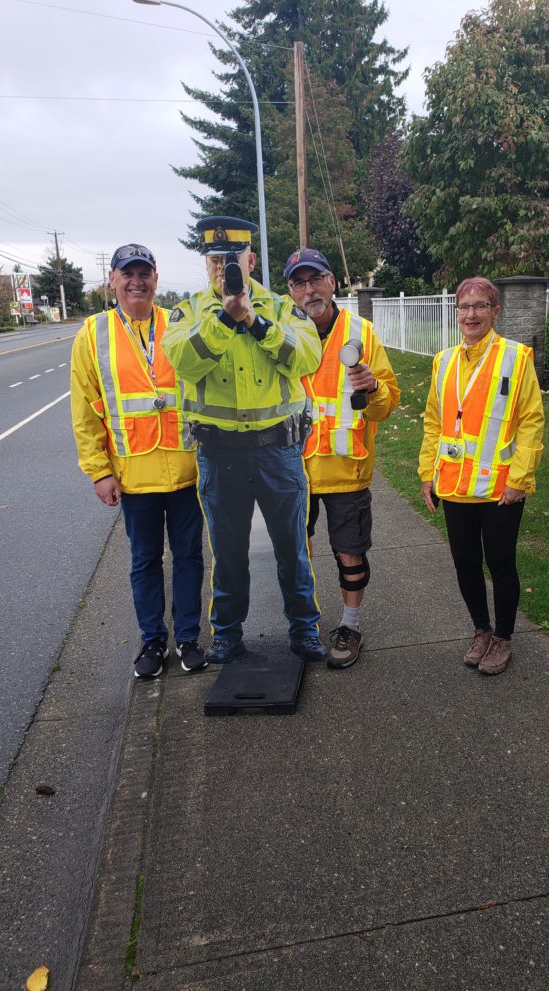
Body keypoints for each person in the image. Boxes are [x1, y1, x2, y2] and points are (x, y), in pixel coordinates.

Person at [162, 217, 326, 664]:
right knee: (229, 552)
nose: (223, 267)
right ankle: (228, 634)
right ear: (206, 264)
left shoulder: (280, 307)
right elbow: (183, 361)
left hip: (279, 450)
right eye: (215, 259)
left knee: (293, 549)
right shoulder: (188, 312)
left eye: (231, 258)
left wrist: (254, 321)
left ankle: (304, 629)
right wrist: (225, 320)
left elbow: (307, 358)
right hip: (220, 454)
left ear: (250, 260)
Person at [70, 243, 206, 679]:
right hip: (133, 476)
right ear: (112, 279)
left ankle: (187, 638)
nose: (136, 281)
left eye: (144, 272)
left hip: (187, 470)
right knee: (144, 562)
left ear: (156, 278)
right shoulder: (93, 334)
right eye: (127, 273)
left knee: (189, 558)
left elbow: (206, 391)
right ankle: (152, 641)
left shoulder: (178, 325)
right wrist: (99, 471)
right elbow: (85, 410)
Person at [418, 277, 544, 675]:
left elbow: (530, 422)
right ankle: (481, 630)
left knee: (501, 564)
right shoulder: (444, 361)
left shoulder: (516, 358)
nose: (471, 314)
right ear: (456, 313)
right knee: (465, 563)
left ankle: (503, 638)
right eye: (464, 307)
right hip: (455, 486)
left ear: (495, 311)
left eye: (479, 306)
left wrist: (520, 479)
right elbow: (434, 423)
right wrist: (427, 474)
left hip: (499, 489)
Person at [284, 248, 400, 669]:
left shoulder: (361, 332)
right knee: (296, 551)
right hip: (291, 468)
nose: (309, 289)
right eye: (299, 282)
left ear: (332, 282)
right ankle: (305, 624)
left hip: (345, 467)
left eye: (316, 279)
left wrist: (373, 389)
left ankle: (350, 625)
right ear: (290, 291)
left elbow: (387, 404)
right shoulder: (281, 334)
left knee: (349, 552)